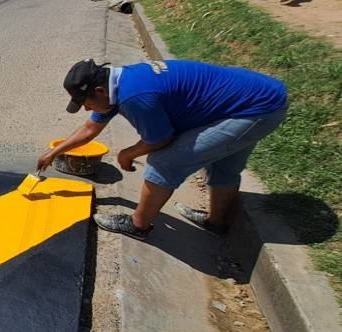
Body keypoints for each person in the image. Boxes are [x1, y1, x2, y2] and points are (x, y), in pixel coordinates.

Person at [36, 59, 287, 241]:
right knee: (223, 165)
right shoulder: (116, 84)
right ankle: (216, 223)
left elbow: (160, 139)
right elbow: (90, 129)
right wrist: (54, 152)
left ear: (99, 91)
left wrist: (127, 154)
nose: (85, 108)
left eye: (86, 102)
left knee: (164, 162)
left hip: (256, 109)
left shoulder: (134, 97)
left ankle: (138, 226)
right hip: (257, 97)